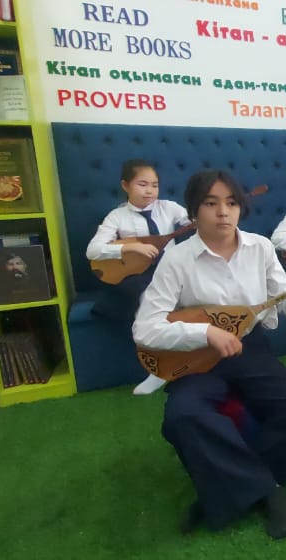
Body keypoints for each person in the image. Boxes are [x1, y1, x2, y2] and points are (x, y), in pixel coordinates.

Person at [133, 169, 286, 540]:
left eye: (232, 202)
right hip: (198, 357)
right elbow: (145, 328)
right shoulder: (177, 259)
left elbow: (283, 301)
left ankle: (226, 489)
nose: (223, 212)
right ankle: (268, 490)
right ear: (194, 211)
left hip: (249, 348)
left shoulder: (260, 248)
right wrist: (205, 332)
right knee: (182, 416)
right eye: (211, 203)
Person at [86, 159, 190, 395]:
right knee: (148, 307)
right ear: (126, 185)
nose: (150, 191)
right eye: (142, 184)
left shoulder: (168, 208)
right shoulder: (117, 216)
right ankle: (158, 369)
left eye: (154, 185)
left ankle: (192, 362)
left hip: (171, 270)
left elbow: (192, 221)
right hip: (138, 276)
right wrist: (130, 248)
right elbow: (93, 251)